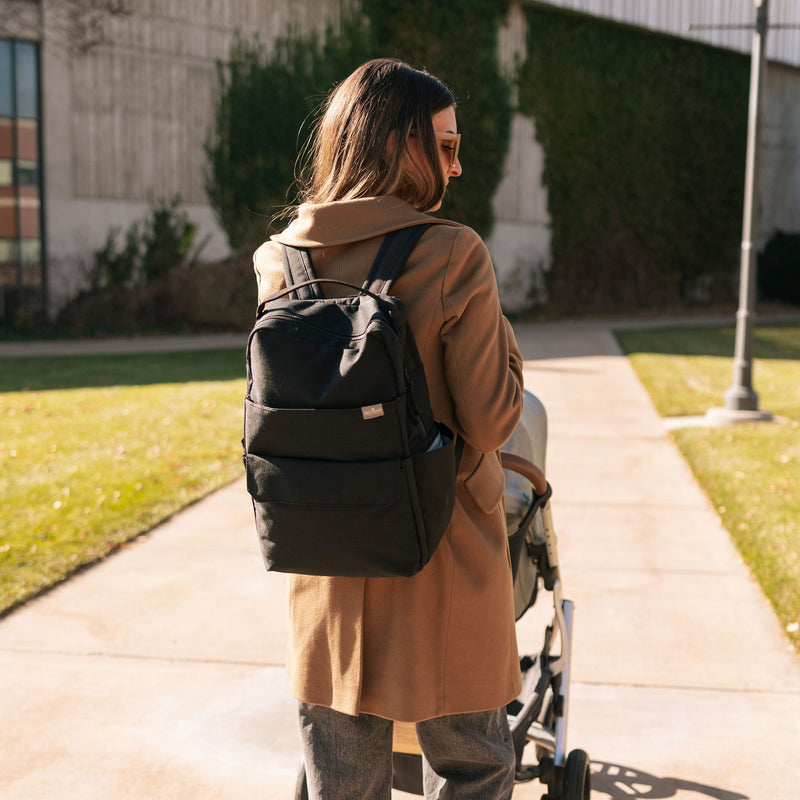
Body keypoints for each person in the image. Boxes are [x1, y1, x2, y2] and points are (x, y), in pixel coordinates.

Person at [253, 58, 525, 800]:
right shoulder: (450, 252)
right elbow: (492, 416)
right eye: (444, 145)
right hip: (440, 553)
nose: (457, 164)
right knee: (475, 765)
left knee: (340, 782)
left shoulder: (279, 261)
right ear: (398, 144)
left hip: (326, 557)